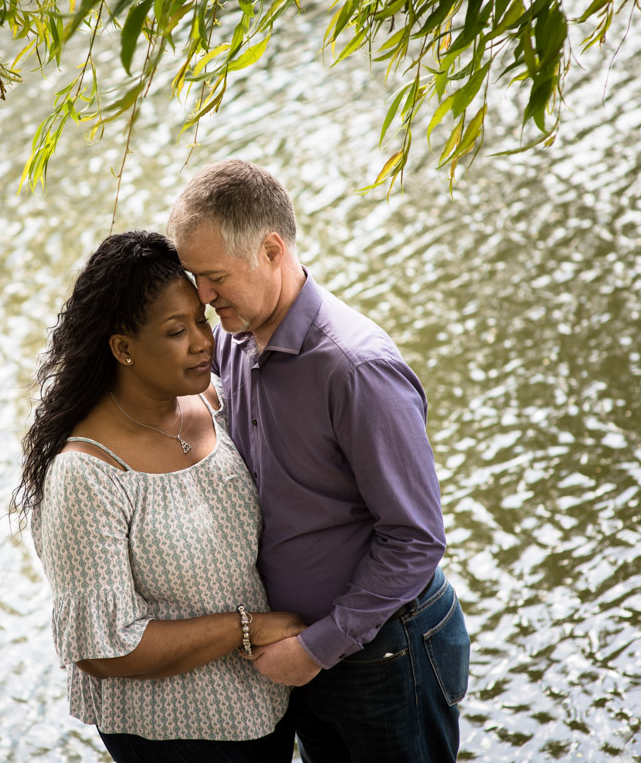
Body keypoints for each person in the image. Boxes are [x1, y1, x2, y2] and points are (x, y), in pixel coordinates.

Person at [168, 160, 471, 762]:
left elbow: (415, 538)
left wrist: (315, 650)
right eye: (194, 277)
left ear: (272, 249)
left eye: (215, 277)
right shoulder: (232, 339)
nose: (203, 298)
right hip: (302, 651)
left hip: (387, 652)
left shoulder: (356, 371)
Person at [12, 230, 302, 763]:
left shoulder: (212, 399)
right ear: (123, 348)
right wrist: (249, 627)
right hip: (177, 739)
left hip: (267, 707)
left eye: (201, 321)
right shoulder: (87, 474)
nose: (202, 342)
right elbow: (107, 649)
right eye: (176, 331)